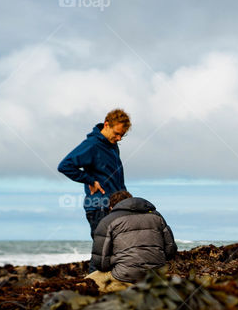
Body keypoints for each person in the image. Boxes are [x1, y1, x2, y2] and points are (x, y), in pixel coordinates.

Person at [58, 109, 131, 272]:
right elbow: (65, 166)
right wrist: (90, 180)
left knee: (117, 249)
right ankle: (93, 287)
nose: (118, 138)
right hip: (99, 207)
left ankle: (111, 287)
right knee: (102, 252)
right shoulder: (92, 145)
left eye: (122, 136)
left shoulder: (112, 146)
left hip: (116, 205)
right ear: (107, 125)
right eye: (117, 133)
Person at [86, 190, 178, 293]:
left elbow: (101, 263)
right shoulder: (157, 216)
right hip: (156, 275)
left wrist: (117, 261)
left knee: (85, 284)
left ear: (112, 207)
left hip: (124, 277)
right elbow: (171, 251)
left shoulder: (108, 221)